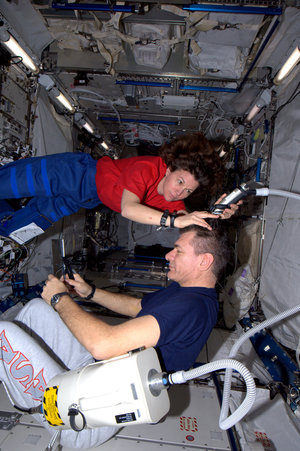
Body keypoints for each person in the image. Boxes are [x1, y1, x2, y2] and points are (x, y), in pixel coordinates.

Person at [0, 220, 229, 448]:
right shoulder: (187, 292)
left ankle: (38, 402)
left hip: (83, 417)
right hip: (95, 373)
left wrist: (60, 299)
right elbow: (137, 307)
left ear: (204, 261)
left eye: (178, 250)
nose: (169, 255)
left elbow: (103, 345)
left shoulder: (191, 307)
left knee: (3, 333)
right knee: (35, 310)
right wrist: (90, 293)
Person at [0, 133, 237, 241]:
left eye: (188, 191)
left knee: (23, 226)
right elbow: (128, 209)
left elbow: (188, 223)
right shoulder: (148, 166)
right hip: (73, 174)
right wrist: (174, 221)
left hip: (83, 199)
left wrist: (216, 216)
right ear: (169, 168)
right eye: (180, 182)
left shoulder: (172, 200)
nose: (180, 192)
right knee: (9, 184)